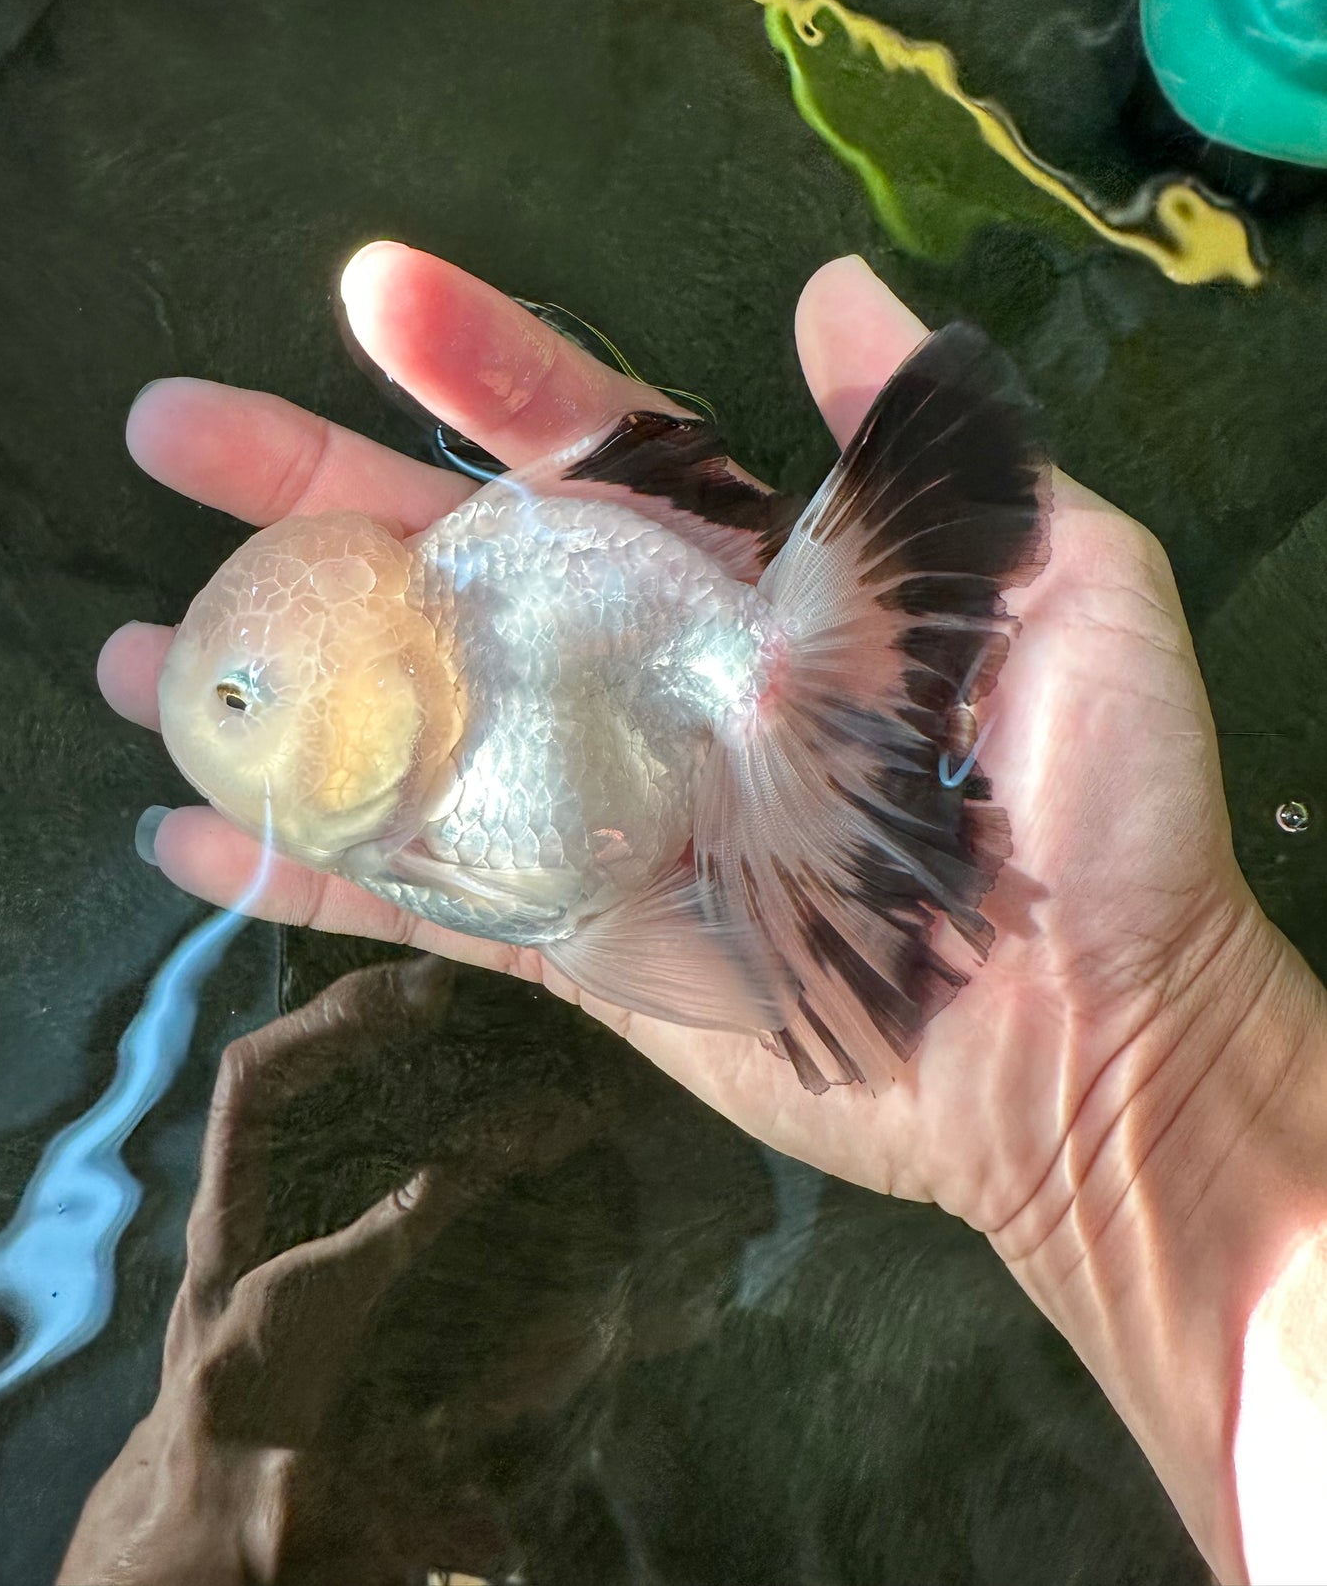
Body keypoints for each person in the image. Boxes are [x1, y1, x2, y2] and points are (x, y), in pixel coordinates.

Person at [98, 245, 1327, 1586]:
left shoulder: (468, 675)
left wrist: (1132, 1068)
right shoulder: (427, 724)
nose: (218, 723)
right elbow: (588, 915)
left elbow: (577, 907)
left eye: (238, 702)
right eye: (233, 700)